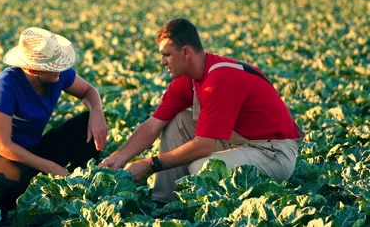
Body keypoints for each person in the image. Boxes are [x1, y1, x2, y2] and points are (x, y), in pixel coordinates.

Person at [100, 18, 304, 204]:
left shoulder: (219, 79)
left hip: (272, 152)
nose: (162, 61)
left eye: (166, 55)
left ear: (186, 52)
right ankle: (164, 204)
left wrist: (150, 164)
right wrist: (119, 157)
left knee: (202, 169)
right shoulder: (187, 77)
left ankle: (212, 214)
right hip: (240, 140)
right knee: (178, 120)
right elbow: (153, 125)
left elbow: (204, 146)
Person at [0, 27, 108, 214]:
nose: (59, 69)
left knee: (86, 123)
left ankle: (81, 184)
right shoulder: (6, 84)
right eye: (52, 66)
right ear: (32, 69)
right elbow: (2, 145)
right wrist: (51, 167)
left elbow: (88, 91)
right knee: (23, 183)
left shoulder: (58, 75)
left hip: (31, 149)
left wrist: (97, 112)